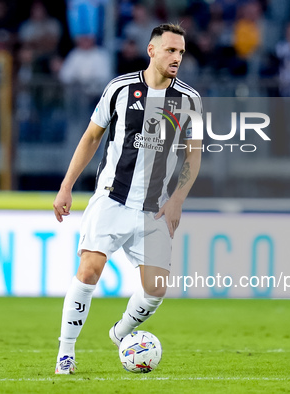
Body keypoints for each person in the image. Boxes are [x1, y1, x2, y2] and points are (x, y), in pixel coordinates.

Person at [52, 23, 201, 374]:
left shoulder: (189, 100)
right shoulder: (120, 89)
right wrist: (66, 185)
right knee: (89, 269)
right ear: (152, 50)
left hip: (154, 207)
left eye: (181, 51)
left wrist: (178, 198)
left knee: (156, 289)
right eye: (170, 50)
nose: (176, 57)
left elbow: (193, 156)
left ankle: (120, 333)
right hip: (112, 199)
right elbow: (91, 137)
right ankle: (67, 352)